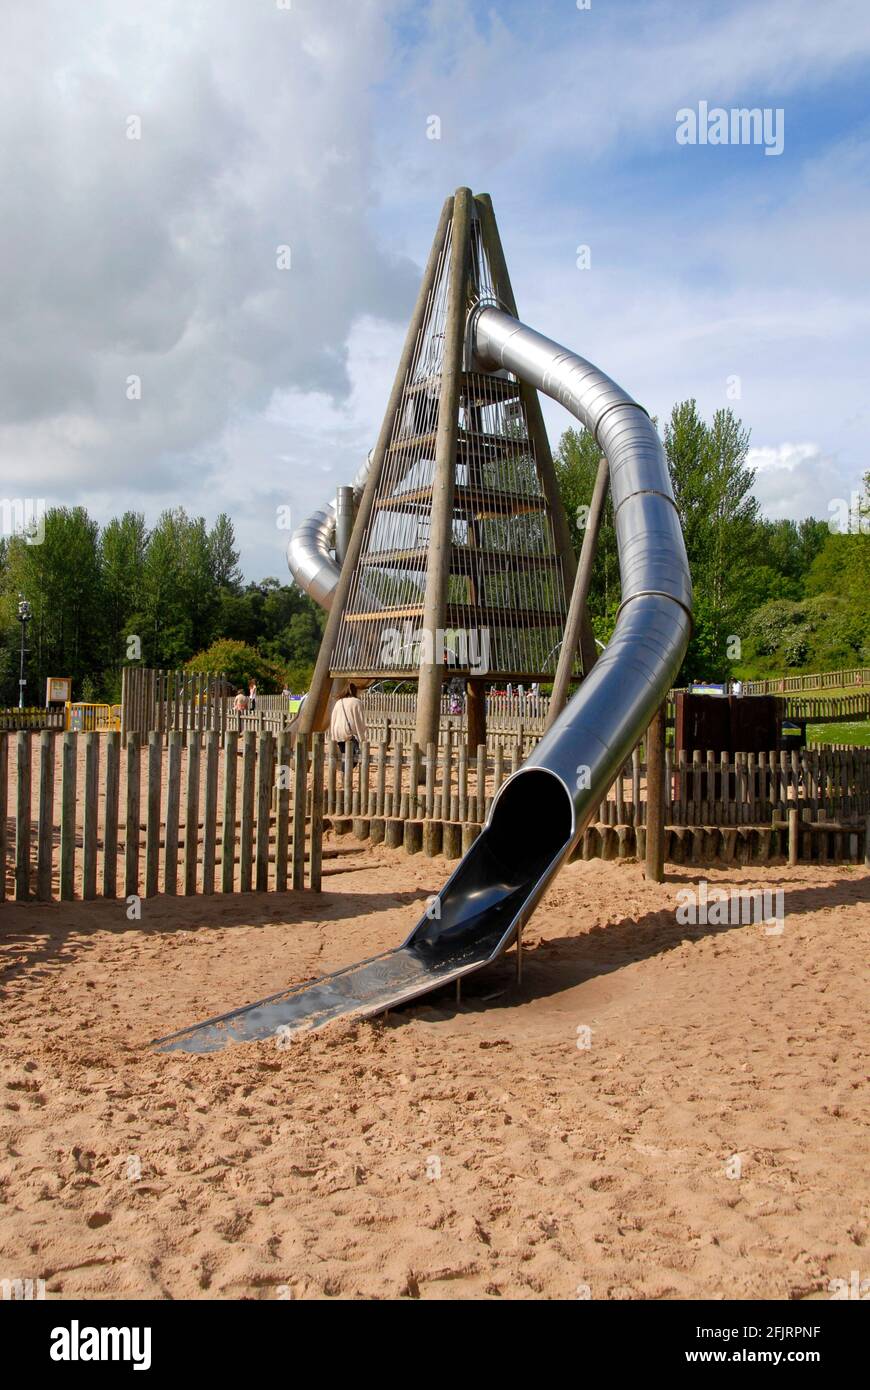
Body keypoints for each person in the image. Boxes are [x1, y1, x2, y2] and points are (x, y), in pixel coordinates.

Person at [329, 682, 367, 762]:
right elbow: (359, 721)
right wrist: (362, 737)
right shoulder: (357, 702)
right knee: (354, 759)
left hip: (338, 733)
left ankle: (343, 772)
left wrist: (333, 736)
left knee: (344, 755)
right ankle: (344, 772)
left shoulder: (339, 702)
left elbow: (333, 719)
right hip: (349, 733)